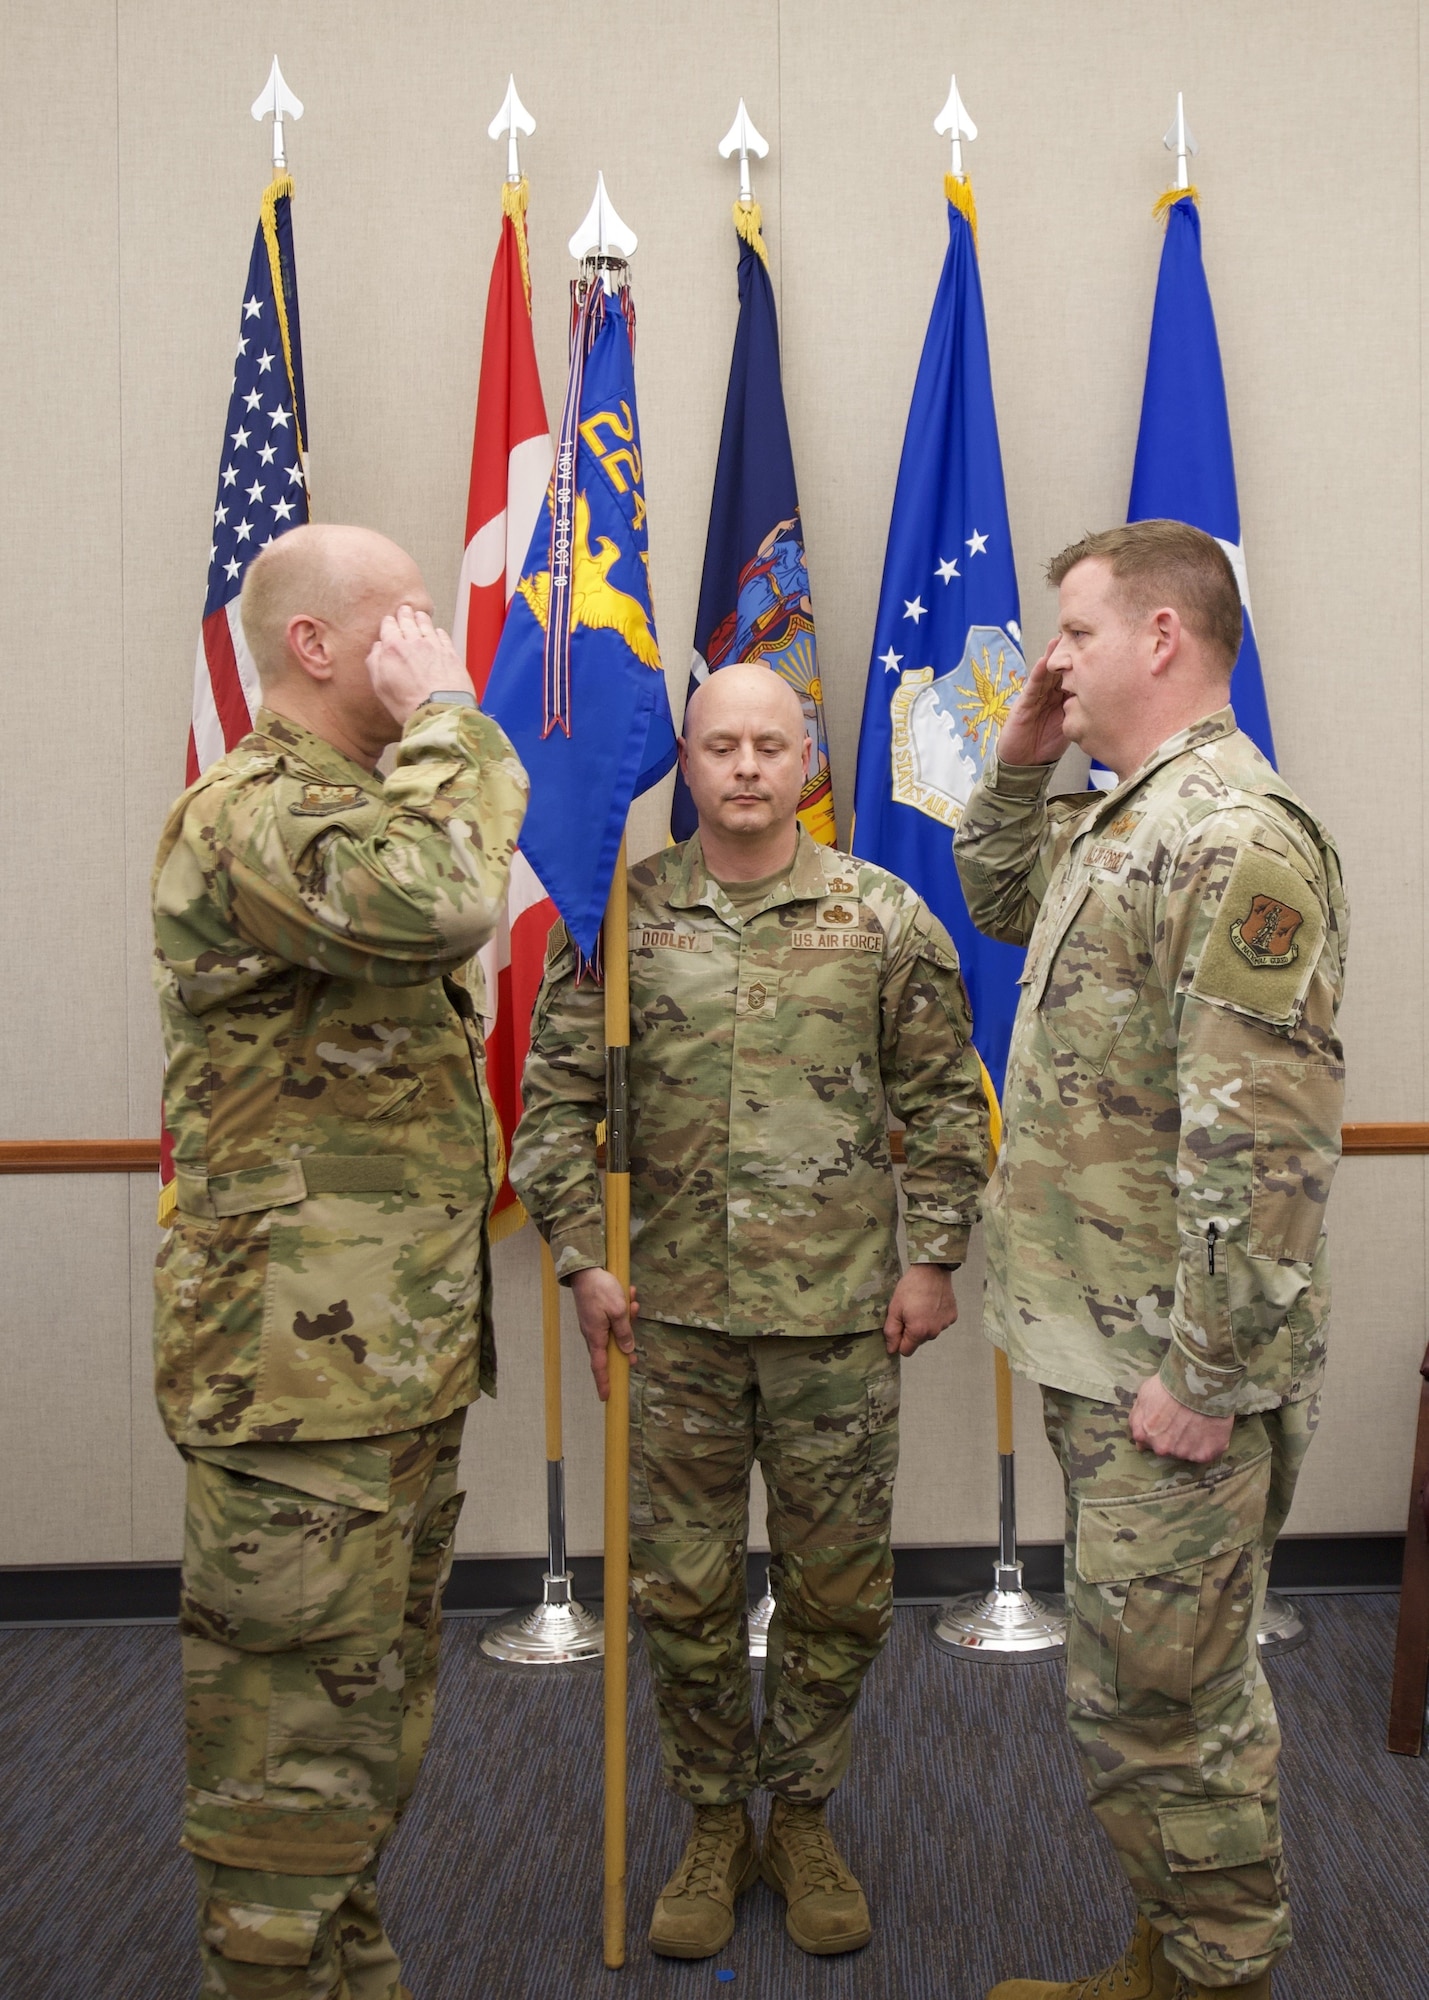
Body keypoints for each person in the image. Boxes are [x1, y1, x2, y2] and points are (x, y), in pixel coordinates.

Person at [511, 662, 988, 1961]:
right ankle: (716, 1821)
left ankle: (808, 1812)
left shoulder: (878, 916)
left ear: (803, 759)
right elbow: (551, 1109)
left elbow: (947, 1101)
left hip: (841, 1322)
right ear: (686, 754)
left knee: (837, 1593)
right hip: (669, 1322)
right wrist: (576, 1258)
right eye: (718, 744)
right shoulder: (617, 922)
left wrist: (933, 1255)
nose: (742, 767)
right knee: (684, 1590)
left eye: (768, 745)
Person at [954, 522, 1348, 2000]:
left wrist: (1210, 1370)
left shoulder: (1232, 836)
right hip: (1102, 1338)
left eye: (1071, 631)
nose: (1049, 657)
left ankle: (1218, 1970)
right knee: (1138, 1681)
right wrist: (1015, 761)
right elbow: (997, 903)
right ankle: (1180, 1943)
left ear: (1161, 638)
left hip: (1170, 1365)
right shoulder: (1128, 818)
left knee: (1165, 1697)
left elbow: (1264, 1139)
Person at [150, 523, 528, 2000]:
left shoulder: (350, 809)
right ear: (316, 645)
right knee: (284, 1760)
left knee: (361, 1727)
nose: (432, 642)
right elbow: (440, 899)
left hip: (380, 1367)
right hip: (296, 1385)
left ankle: (340, 1971)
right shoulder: (248, 815)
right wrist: (452, 720)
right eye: (407, 621)